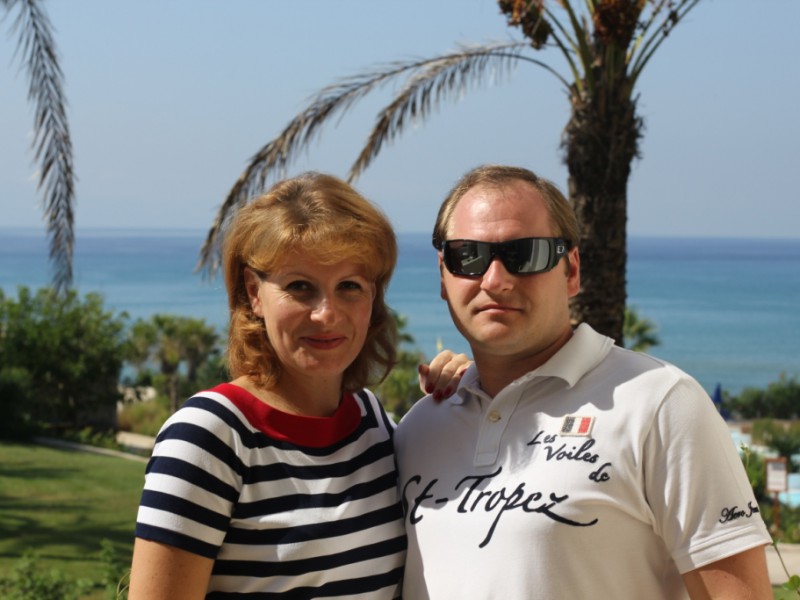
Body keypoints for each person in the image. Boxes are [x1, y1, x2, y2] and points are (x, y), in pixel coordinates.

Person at [394, 164, 773, 599]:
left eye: (526, 254)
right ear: (444, 275)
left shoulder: (660, 403)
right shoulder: (419, 429)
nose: (495, 280)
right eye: (469, 256)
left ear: (571, 270)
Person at [129, 172, 467, 599]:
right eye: (300, 287)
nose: (326, 314)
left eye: (349, 286)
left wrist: (468, 393)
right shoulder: (208, 437)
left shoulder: (372, 422)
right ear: (254, 292)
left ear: (373, 297)